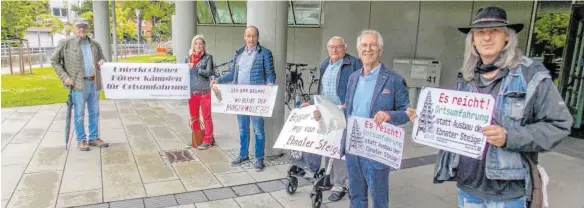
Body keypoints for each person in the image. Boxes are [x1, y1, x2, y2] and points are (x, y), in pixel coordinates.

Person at [423, 6, 572, 208]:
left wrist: (509, 137)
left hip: (507, 192)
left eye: (494, 31)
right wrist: (427, 120)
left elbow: (559, 125)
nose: (487, 38)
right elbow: (456, 121)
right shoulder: (467, 76)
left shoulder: (530, 75)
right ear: (472, 40)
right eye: (480, 33)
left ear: (507, 37)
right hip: (468, 187)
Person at [316, 29, 410, 208]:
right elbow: (346, 110)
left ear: (380, 50)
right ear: (359, 50)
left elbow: (406, 112)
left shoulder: (394, 80)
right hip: (353, 146)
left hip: (376, 149)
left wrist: (390, 115)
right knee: (357, 196)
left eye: (373, 45)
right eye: (364, 45)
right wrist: (323, 112)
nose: (368, 49)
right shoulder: (353, 78)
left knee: (379, 199)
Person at [301, 36, 362, 201]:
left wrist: (352, 106)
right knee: (329, 147)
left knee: (340, 151)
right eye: (331, 47)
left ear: (345, 48)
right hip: (327, 112)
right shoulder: (325, 64)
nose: (335, 50)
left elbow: (360, 87)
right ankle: (330, 178)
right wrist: (313, 103)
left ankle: (340, 185)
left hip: (344, 112)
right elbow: (321, 89)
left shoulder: (354, 64)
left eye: (338, 47)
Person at [210, 26, 276, 172]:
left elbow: (270, 73)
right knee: (242, 128)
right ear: (244, 37)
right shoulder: (238, 54)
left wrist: (270, 83)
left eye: (253, 36)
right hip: (239, 98)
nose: (251, 39)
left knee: (258, 129)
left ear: (257, 37)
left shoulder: (265, 53)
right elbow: (233, 74)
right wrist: (218, 80)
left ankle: (259, 158)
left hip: (256, 98)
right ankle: (243, 155)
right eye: (248, 36)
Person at [51, 18, 109, 151]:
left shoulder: (94, 44)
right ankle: (81, 140)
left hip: (94, 82)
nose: (81, 29)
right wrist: (64, 76)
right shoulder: (65, 43)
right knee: (79, 114)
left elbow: (102, 58)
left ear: (87, 28)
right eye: (79, 27)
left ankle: (93, 137)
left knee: (94, 112)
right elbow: (54, 61)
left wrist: (101, 62)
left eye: (84, 27)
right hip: (77, 84)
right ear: (74, 28)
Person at [185, 34, 215, 150]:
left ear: (204, 46)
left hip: (204, 91)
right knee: (194, 117)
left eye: (201, 44)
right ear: (193, 45)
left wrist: (195, 68)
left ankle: (208, 140)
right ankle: (196, 138)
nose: (198, 46)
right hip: (192, 92)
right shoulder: (188, 58)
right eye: (196, 44)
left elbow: (208, 73)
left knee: (207, 117)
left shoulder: (208, 57)